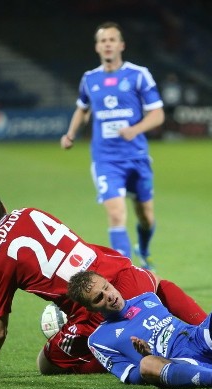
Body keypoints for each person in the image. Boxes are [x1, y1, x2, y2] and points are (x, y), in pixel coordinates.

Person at [0, 184, 208, 382]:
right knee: (158, 285)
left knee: (46, 364)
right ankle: (210, 333)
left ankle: (133, 356)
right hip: (121, 272)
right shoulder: (30, 213)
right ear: (4, 207)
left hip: (93, 305)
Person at [67, 270, 212, 389]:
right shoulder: (99, 340)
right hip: (182, 363)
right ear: (91, 308)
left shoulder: (147, 298)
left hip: (200, 340)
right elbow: (132, 377)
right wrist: (148, 355)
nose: (109, 296)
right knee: (147, 366)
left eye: (107, 287)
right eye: (99, 298)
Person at [60, 21, 164, 270]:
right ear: (97, 47)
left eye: (112, 40)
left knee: (146, 217)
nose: (107, 44)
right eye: (103, 40)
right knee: (116, 214)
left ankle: (144, 249)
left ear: (121, 45)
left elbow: (157, 114)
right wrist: (71, 134)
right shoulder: (89, 79)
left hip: (137, 156)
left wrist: (135, 129)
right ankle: (127, 273)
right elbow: (82, 109)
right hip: (106, 159)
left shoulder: (138, 75)